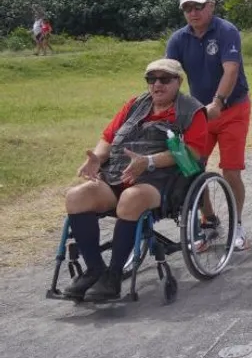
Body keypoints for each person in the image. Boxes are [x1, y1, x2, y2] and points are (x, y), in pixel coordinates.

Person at [61, 58, 207, 301]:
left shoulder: (191, 111)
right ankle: (96, 270)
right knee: (76, 197)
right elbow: (108, 138)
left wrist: (148, 161)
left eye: (164, 79)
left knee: (131, 198)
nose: (157, 85)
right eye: (151, 79)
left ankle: (114, 276)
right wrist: (96, 158)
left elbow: (192, 153)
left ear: (178, 82)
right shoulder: (135, 105)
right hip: (118, 174)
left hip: (161, 181)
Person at [166, 0, 252, 250]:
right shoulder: (178, 39)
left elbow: (231, 71)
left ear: (211, 6)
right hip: (198, 112)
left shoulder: (226, 32)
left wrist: (218, 101)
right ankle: (209, 221)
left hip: (233, 108)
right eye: (187, 8)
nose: (193, 13)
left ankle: (237, 225)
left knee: (231, 171)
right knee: (192, 169)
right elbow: (170, 76)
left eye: (198, 6)